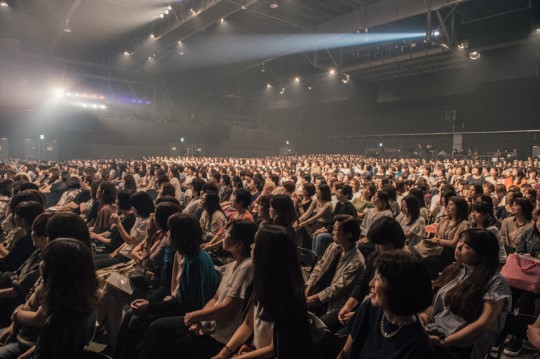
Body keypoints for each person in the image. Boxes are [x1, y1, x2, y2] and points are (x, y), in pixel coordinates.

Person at [138, 220, 257, 358]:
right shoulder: (232, 265)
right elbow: (216, 298)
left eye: (228, 233)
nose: (224, 235)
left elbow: (228, 309)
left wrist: (196, 316)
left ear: (239, 243)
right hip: (209, 325)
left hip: (220, 336)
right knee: (157, 328)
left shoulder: (247, 266)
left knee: (159, 329)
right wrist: (201, 320)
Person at [114, 213, 220, 359]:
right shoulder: (178, 252)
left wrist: (150, 306)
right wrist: (150, 302)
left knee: (138, 319)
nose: (167, 233)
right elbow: (167, 285)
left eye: (170, 230)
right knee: (132, 314)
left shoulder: (195, 261)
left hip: (190, 311)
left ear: (179, 235)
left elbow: (187, 303)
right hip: (175, 301)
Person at [212, 225, 312, 359]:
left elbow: (275, 348)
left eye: (256, 243)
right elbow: (248, 325)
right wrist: (223, 353)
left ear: (267, 252)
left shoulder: (289, 299)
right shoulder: (260, 283)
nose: (252, 246)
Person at [420, 229, 511, 359]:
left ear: (481, 255)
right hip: (436, 331)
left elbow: (484, 323)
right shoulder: (457, 269)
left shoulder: (495, 281)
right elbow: (440, 306)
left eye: (466, 246)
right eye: (460, 241)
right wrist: (423, 317)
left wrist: (447, 341)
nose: (459, 246)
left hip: (461, 344)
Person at [337, 251, 435, 359]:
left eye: (378, 278)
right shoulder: (369, 308)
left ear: (398, 288)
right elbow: (344, 353)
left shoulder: (419, 349)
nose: (371, 283)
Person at [321, 216, 409, 335]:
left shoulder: (405, 266)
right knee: (321, 325)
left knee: (339, 337)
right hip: (365, 306)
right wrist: (347, 307)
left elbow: (392, 304)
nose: (376, 248)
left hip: (381, 315)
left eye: (379, 244)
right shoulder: (376, 255)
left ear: (392, 242)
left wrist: (360, 314)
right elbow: (362, 284)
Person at [33, 238, 99, 358]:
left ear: (56, 271)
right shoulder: (87, 302)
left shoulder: (59, 319)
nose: (41, 264)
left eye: (44, 260)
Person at [305, 215, 365, 317]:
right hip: (318, 289)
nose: (332, 232)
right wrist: (307, 290)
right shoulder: (334, 246)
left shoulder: (357, 262)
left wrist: (310, 298)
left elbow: (336, 289)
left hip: (330, 301)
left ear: (349, 234)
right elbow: (318, 268)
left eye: (336, 229)